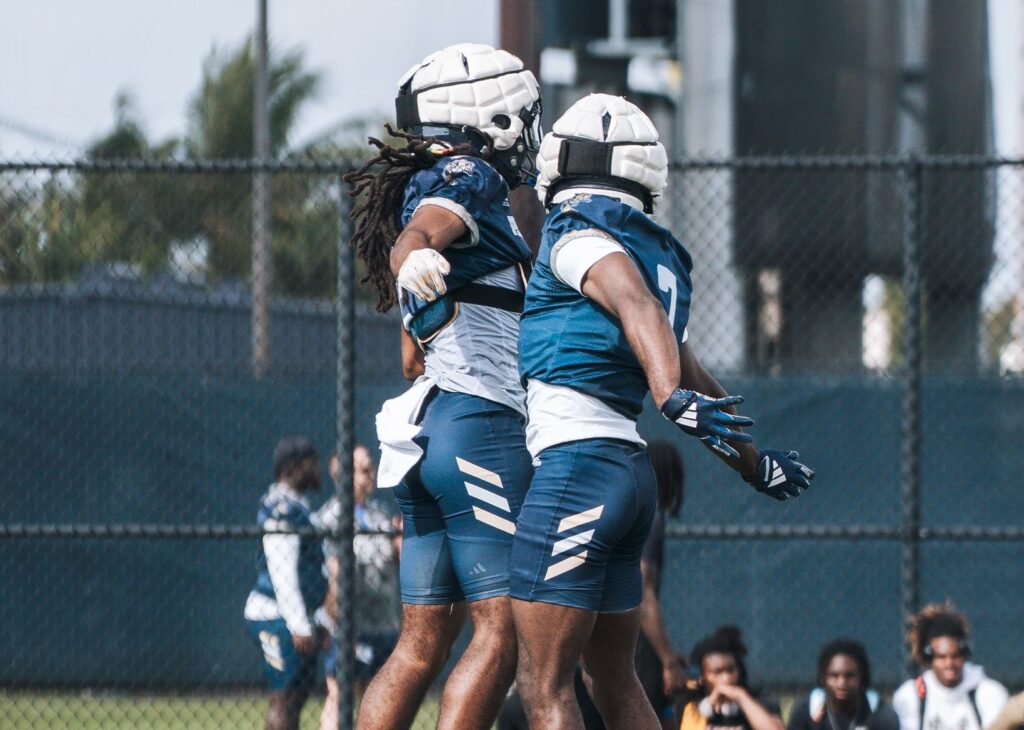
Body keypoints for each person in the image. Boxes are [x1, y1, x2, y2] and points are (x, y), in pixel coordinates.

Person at [509, 93, 814, 730]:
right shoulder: (662, 254)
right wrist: (753, 465)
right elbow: (693, 367)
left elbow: (638, 311)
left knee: (543, 685)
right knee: (614, 679)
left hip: (576, 468)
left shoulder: (578, 232)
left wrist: (668, 396)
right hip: (628, 473)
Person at [344, 42, 541, 730]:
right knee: (505, 632)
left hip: (429, 440)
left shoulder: (431, 185)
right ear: (490, 112)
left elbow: (410, 355)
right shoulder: (471, 175)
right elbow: (421, 239)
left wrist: (419, 263)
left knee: (422, 643)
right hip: (481, 429)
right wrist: (418, 251)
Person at [243, 437, 326, 730]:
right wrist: (299, 625)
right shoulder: (281, 509)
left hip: (296, 617)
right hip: (275, 615)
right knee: (283, 697)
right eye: (310, 463)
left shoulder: (300, 507)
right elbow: (283, 572)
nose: (317, 469)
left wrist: (318, 618)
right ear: (292, 468)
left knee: (297, 697)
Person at [316, 446, 401, 730]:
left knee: (377, 699)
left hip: (384, 623)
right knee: (339, 695)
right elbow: (333, 577)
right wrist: (341, 625)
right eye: (364, 470)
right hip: (352, 626)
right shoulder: (332, 517)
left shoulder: (380, 514)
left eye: (371, 467)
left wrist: (402, 542)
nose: (372, 474)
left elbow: (395, 559)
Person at [637, 440, 689, 730]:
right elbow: (643, 592)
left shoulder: (629, 511)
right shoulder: (651, 518)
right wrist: (667, 661)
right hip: (635, 643)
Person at [892, 602, 1008, 730]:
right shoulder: (912, 694)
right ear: (929, 658)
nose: (949, 664)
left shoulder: (989, 693)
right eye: (941, 657)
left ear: (964, 654)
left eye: (956, 656)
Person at [678, 626, 784, 730]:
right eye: (717, 672)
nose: (726, 678)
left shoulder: (759, 701)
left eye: (730, 670)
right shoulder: (690, 704)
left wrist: (740, 697)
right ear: (703, 676)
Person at [788, 639, 898, 730]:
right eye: (834, 676)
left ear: (862, 677)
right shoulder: (807, 710)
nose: (841, 684)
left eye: (850, 676)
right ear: (823, 678)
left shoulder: (878, 713)